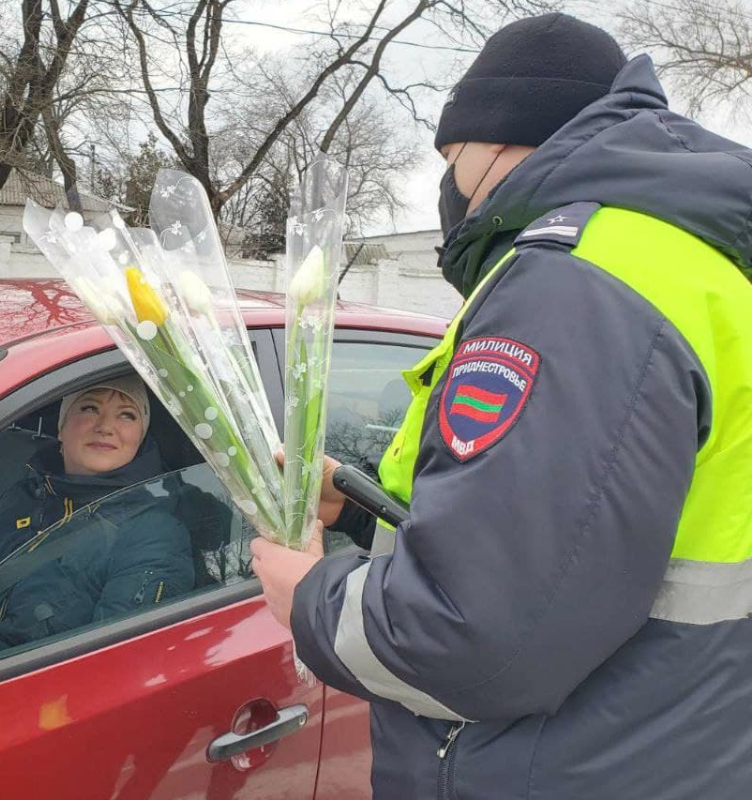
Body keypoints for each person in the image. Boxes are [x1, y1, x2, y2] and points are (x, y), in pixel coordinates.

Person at [252, 13, 752, 798]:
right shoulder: (697, 265)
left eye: (451, 155)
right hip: (667, 744)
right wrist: (358, 512)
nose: (450, 181)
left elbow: (478, 643)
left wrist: (312, 598)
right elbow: (598, 535)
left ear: (496, 139)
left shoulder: (575, 281)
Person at [0, 376, 194, 658]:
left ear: (141, 436)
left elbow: (112, 666)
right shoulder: (21, 498)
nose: (105, 426)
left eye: (127, 414)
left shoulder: (153, 534)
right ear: (60, 426)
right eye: (89, 408)